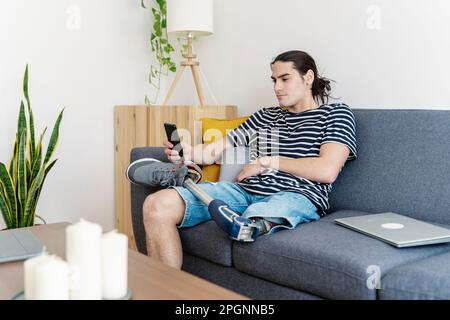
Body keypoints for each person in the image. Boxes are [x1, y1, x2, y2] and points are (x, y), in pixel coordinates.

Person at [130, 50, 357, 269]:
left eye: (285, 79)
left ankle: (253, 223)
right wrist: (187, 152)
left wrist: (267, 161)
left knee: (255, 216)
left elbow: (327, 170)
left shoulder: (336, 114)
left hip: (296, 195)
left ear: (308, 77)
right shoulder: (264, 116)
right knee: (157, 205)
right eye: (274, 80)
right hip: (243, 191)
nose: (277, 88)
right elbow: (212, 152)